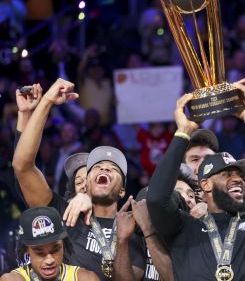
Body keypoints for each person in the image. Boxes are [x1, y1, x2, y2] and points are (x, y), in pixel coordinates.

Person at [146, 93, 245, 279]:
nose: (238, 179)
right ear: (206, 184)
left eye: (239, 174)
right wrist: (183, 133)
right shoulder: (184, 228)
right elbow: (156, 198)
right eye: (226, 174)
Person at [12, 78, 145, 281]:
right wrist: (45, 102)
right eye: (97, 168)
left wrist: (123, 241)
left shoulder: (132, 231)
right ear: (85, 184)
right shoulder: (63, 213)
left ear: (122, 191)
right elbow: (22, 167)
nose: (104, 169)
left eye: (113, 169)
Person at [0, 206, 99, 281]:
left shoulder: (85, 278)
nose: (49, 260)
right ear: (27, 250)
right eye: (40, 253)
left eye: (55, 250)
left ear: (64, 244)